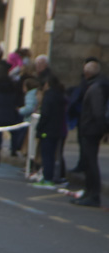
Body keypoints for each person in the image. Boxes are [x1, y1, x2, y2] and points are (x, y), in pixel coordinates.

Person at [73, 60, 107, 207]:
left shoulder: (95, 88)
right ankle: (88, 192)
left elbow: (97, 112)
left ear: (87, 73)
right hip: (91, 128)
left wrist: (103, 129)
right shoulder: (97, 85)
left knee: (90, 162)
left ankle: (93, 194)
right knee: (88, 162)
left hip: (91, 130)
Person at [32, 74, 68, 188]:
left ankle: (47, 178)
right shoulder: (60, 95)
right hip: (57, 129)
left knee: (46, 154)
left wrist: (39, 128)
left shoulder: (49, 96)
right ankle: (48, 177)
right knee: (52, 154)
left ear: (47, 84)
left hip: (47, 129)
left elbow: (45, 114)